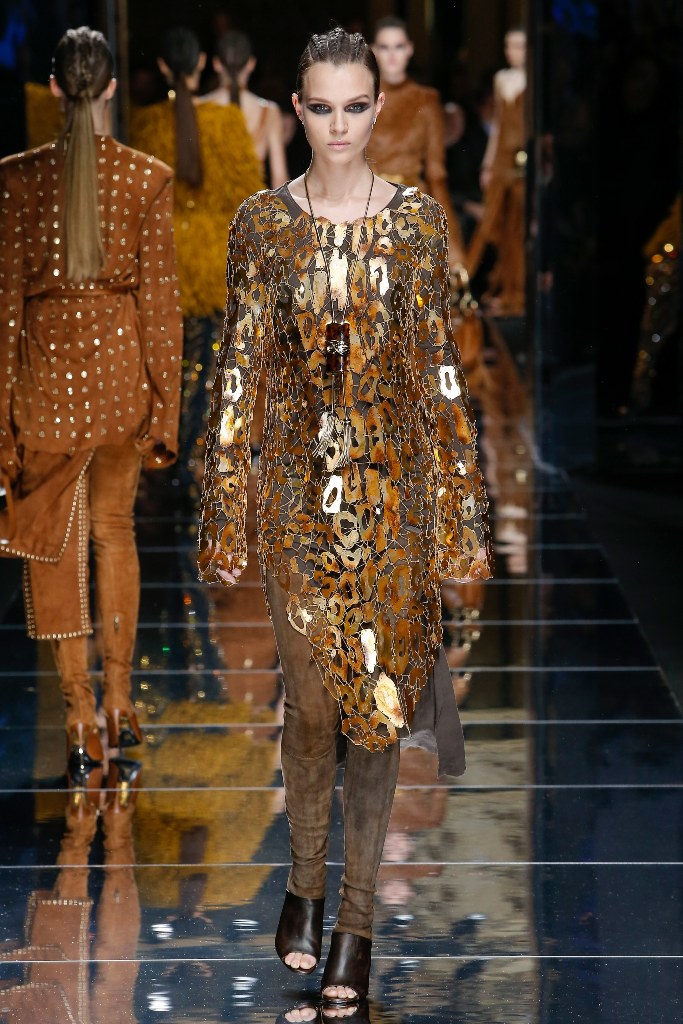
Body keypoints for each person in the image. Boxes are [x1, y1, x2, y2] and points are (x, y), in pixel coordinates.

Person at [198, 27, 492, 1006]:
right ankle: (304, 882)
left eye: (355, 107)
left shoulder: (414, 225)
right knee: (311, 706)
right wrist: (224, 506)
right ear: (296, 108)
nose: (338, 125)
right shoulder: (261, 224)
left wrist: (458, 520)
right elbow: (238, 370)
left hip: (391, 497)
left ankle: (355, 929)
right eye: (321, 107)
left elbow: (440, 376)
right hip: (292, 501)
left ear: (377, 109)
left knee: (377, 714)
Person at [0, 27, 183, 780]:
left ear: (53, 88)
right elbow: (161, 307)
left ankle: (77, 714)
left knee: (55, 543)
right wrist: (165, 410)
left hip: (45, 380)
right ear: (110, 89)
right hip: (116, 377)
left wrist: (1, 419)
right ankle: (119, 702)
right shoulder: (146, 178)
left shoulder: (17, 180)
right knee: (113, 532)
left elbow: (5, 308)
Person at [129, 28, 264, 490]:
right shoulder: (226, 122)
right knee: (207, 365)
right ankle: (189, 456)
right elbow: (248, 194)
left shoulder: (146, 124)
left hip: (165, 259)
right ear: (201, 63)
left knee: (166, 363)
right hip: (212, 260)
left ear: (163, 68)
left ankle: (163, 452)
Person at [365, 16, 464, 267]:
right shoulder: (360, 101)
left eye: (398, 46)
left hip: (414, 215)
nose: (392, 55)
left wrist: (453, 248)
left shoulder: (426, 101)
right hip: (365, 212)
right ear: (374, 50)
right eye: (384, 47)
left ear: (409, 49)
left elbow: (436, 173)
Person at [466, 28, 527, 316]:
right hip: (502, 156)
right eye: (509, 45)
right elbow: (499, 122)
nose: (512, 51)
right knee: (495, 224)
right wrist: (488, 163)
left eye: (519, 46)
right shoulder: (502, 78)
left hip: (523, 157)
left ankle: (517, 291)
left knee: (518, 224)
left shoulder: (534, 78)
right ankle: (494, 287)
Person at [200, 29, 289, 188]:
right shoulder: (269, 111)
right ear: (251, 64)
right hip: (252, 204)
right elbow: (280, 179)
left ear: (216, 64)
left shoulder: (198, 107)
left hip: (207, 203)